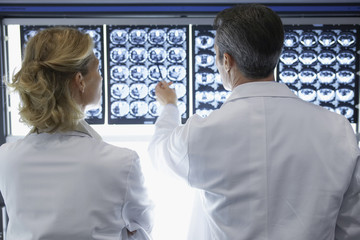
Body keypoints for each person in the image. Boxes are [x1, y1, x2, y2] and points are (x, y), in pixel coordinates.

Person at [148, 4, 360, 240]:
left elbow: (159, 154)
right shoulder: (338, 130)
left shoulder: (200, 134)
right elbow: (351, 228)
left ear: (226, 61)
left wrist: (169, 107)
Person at [0, 27, 153, 240]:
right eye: (98, 69)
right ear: (80, 80)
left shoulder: (6, 158)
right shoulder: (121, 163)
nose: (101, 78)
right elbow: (142, 229)